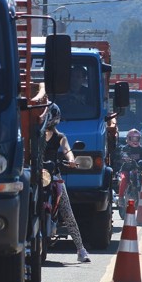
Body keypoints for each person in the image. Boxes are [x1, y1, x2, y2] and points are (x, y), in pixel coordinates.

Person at [41, 104, 91, 263]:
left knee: (67, 211)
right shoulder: (36, 134)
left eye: (50, 115)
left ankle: (80, 249)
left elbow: (68, 150)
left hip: (53, 175)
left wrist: (71, 161)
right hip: (37, 176)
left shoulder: (60, 137)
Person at [116, 128, 142, 207]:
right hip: (126, 169)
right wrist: (125, 157)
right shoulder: (125, 148)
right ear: (128, 139)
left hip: (139, 170)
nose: (135, 140)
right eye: (133, 138)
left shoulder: (141, 149)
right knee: (123, 179)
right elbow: (123, 154)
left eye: (137, 138)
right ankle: (120, 198)